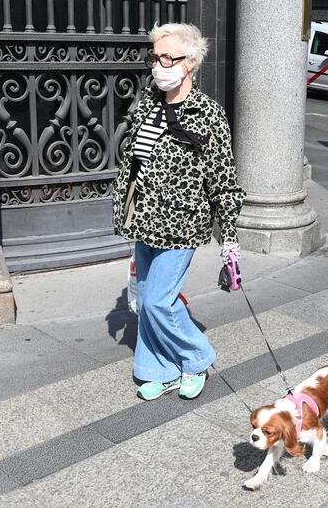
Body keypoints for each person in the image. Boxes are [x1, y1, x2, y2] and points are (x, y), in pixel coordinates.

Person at [112, 23, 245, 401]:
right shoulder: (148, 104)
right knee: (144, 301)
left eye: (168, 57)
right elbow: (135, 161)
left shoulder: (208, 114)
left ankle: (196, 357)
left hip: (182, 224)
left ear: (191, 63)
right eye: (155, 56)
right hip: (144, 220)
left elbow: (223, 177)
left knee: (158, 300)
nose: (159, 64)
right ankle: (161, 369)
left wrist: (229, 238)